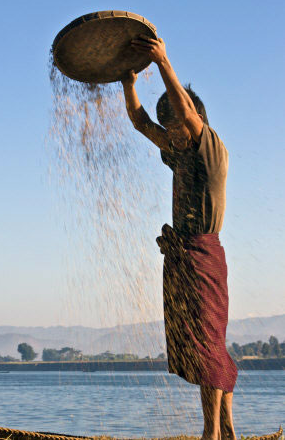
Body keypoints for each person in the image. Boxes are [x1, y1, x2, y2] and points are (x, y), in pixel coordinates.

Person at [121, 34, 238, 440]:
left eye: (174, 129)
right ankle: (227, 430)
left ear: (190, 123)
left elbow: (186, 111)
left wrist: (163, 62)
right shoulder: (178, 148)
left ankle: (211, 435)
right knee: (207, 345)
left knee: (208, 349)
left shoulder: (208, 148)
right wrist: (128, 81)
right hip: (183, 257)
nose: (168, 138)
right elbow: (139, 122)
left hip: (204, 256)